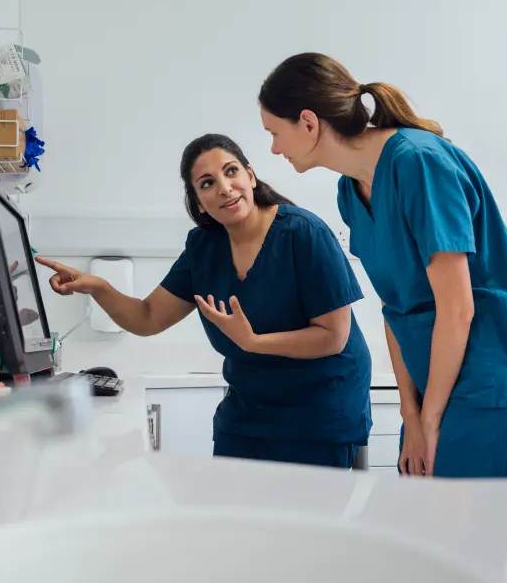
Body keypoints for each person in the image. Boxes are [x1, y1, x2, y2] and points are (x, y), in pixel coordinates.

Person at [257, 53, 507, 479]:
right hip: (434, 377)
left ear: (308, 123)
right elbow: (395, 309)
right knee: (425, 525)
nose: (273, 148)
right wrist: (412, 410)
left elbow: (458, 310)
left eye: (275, 132)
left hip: (491, 365)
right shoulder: (350, 193)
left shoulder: (419, 162)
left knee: (466, 534)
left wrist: (431, 417)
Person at [35, 133, 372, 469]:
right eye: (207, 183)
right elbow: (148, 317)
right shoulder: (204, 247)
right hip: (248, 413)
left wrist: (253, 342)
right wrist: (98, 287)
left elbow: (333, 335)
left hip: (320, 414)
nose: (225, 188)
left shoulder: (304, 233)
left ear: (250, 177)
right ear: (198, 201)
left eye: (231, 171)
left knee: (296, 522)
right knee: (229, 519)